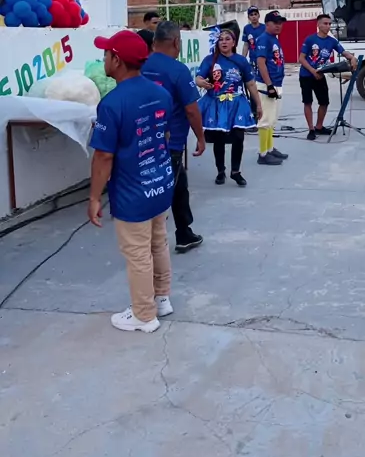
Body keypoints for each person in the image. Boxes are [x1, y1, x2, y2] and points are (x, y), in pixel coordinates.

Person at [88, 30, 175, 334]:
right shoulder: (160, 92)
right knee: (158, 242)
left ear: (117, 60)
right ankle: (161, 298)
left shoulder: (112, 103)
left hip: (132, 191)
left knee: (137, 253)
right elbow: (164, 135)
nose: (103, 59)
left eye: (106, 54)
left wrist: (94, 197)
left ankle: (143, 315)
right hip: (160, 182)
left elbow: (103, 156)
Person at [142, 21, 206, 253]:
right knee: (166, 190)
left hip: (143, 140)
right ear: (176, 42)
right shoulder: (178, 70)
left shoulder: (141, 66)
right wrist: (201, 138)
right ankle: (155, 241)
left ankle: (183, 232)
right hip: (170, 143)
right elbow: (191, 110)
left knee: (177, 185)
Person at [196, 29, 262, 186]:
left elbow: (250, 83)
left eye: (227, 39)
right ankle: (221, 171)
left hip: (237, 103)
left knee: (239, 137)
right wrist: (201, 82)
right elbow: (198, 78)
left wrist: (258, 104)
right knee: (219, 138)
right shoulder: (210, 60)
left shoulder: (241, 61)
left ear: (233, 43)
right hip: (217, 103)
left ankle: (235, 171)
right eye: (221, 39)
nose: (224, 42)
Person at [299, 14, 358, 140]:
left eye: (329, 24)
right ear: (318, 25)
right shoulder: (310, 39)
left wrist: (352, 58)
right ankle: (311, 129)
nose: (328, 26)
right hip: (306, 75)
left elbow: (343, 52)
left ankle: (319, 126)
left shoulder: (332, 41)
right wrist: (312, 71)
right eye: (325, 23)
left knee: (324, 102)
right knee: (308, 102)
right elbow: (301, 58)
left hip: (320, 75)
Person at [255, 10, 289, 166]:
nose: (278, 26)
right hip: (266, 85)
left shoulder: (274, 39)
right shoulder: (264, 39)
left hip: (276, 83)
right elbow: (261, 63)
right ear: (267, 24)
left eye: (280, 23)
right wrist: (269, 85)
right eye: (275, 23)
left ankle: (269, 148)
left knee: (272, 119)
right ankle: (263, 154)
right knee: (265, 120)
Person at [242, 5, 265, 128]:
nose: (254, 17)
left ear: (259, 15)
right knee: (253, 89)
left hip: (264, 62)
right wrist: (242, 60)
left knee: (264, 88)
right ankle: (254, 115)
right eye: (251, 15)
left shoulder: (264, 28)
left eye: (255, 14)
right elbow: (246, 45)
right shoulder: (247, 29)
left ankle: (264, 114)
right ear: (249, 17)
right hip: (252, 63)